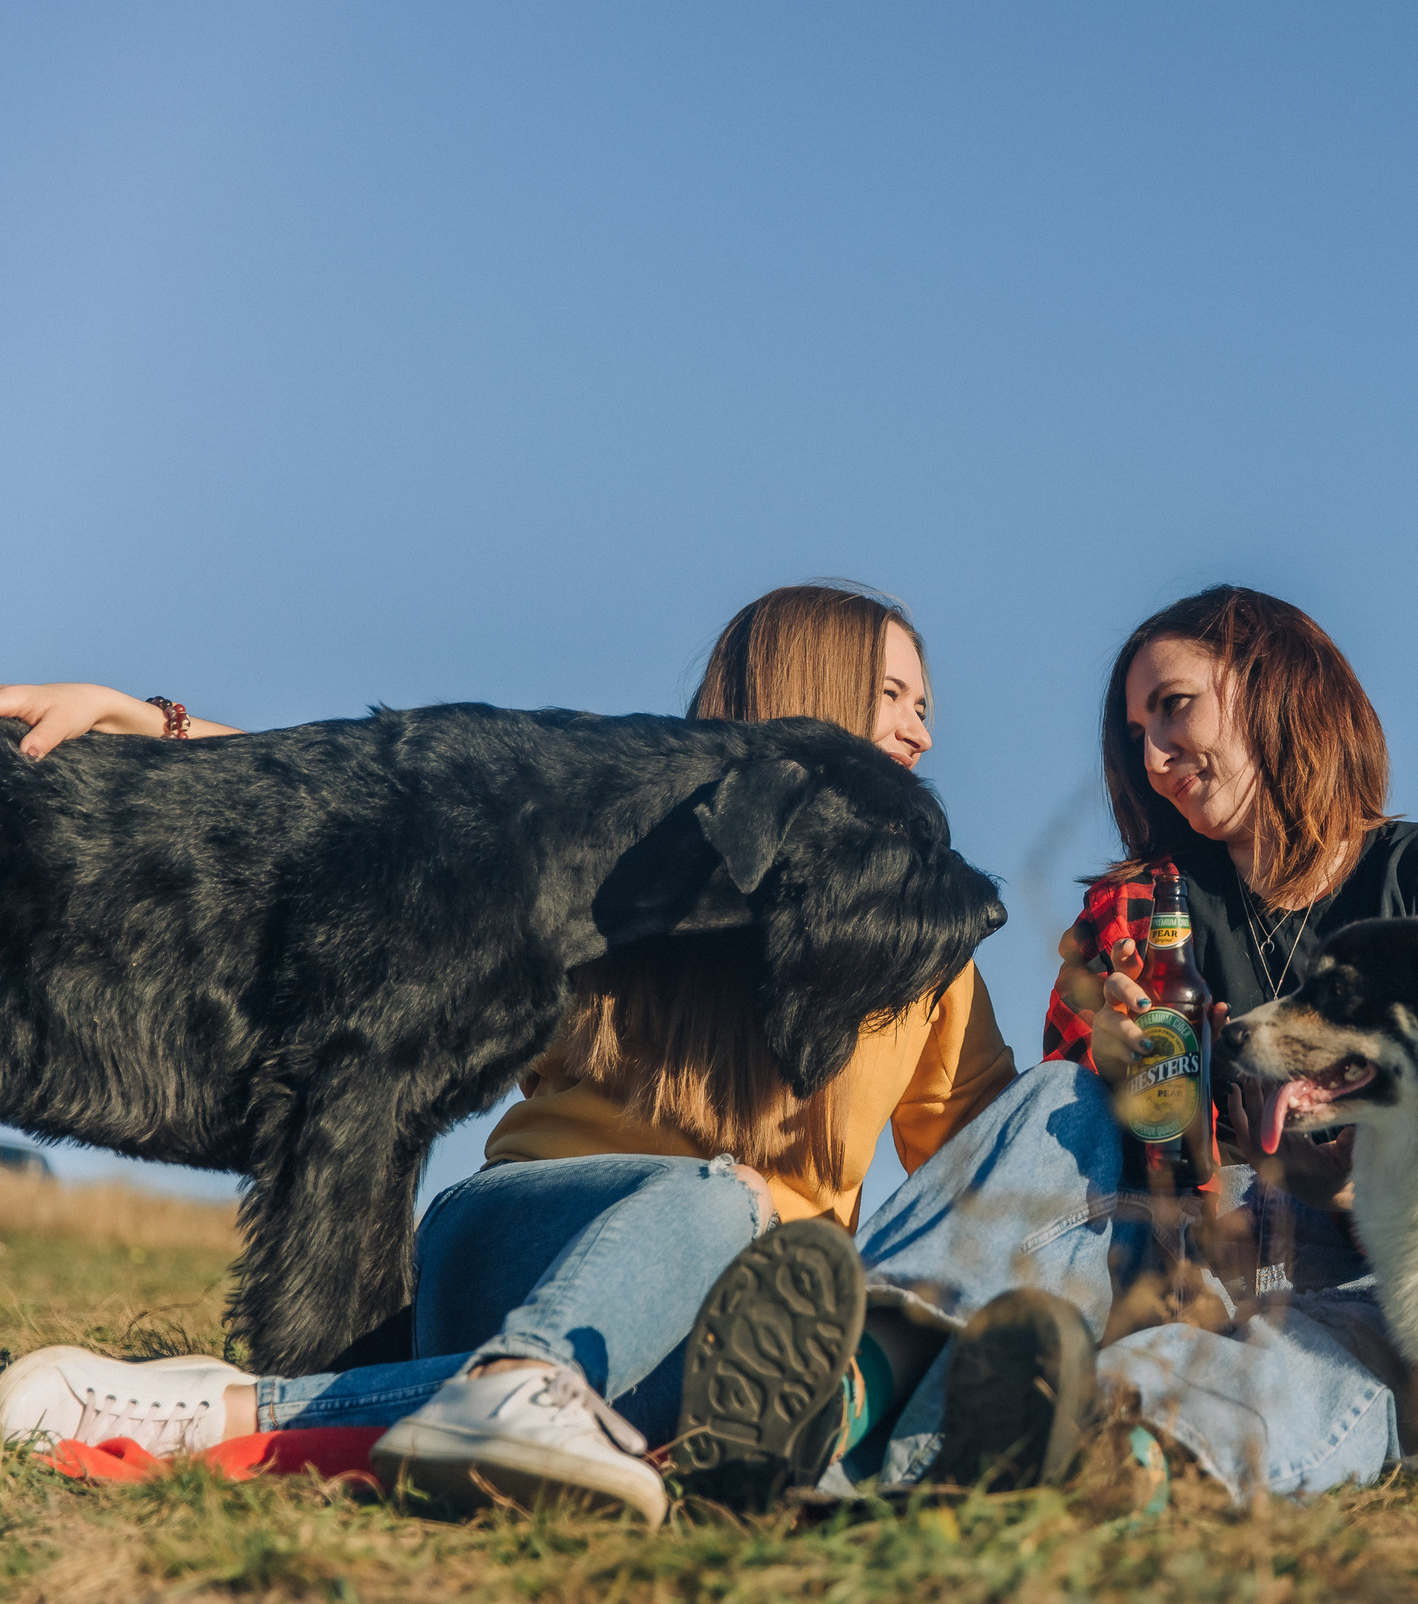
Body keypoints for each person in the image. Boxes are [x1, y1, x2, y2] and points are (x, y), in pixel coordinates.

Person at [0, 583, 1015, 1520]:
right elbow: (391, 814)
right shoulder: (631, 864)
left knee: (767, 1289)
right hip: (523, 1248)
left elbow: (988, 1156)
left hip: (736, 1309)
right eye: (890, 695)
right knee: (723, 1199)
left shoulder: (909, 963)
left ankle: (286, 1404)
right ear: (804, 706)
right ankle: (449, 1395)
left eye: (925, 707)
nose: (921, 732)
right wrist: (160, 727)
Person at [851, 584, 1418, 1502]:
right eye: (1137, 734)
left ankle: (1127, 1457)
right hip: (1164, 1234)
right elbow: (1061, 1170)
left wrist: (1353, 1182)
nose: (1155, 757)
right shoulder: (1138, 911)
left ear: (1275, 685)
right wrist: (1118, 1077)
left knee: (1339, 1334)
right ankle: (852, 1370)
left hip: (1365, 1259)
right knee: (1060, 1099)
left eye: (1175, 708)